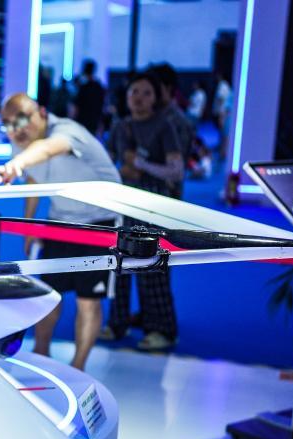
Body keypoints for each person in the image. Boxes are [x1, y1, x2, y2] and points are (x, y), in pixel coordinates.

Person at [0, 93, 121, 371]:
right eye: (8, 124)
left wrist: (18, 163)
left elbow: (49, 148)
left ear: (41, 112)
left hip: (101, 223)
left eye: (22, 120)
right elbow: (33, 178)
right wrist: (28, 224)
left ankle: (78, 369)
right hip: (60, 221)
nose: (16, 130)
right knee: (50, 296)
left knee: (88, 301)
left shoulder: (68, 131)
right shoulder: (21, 143)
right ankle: (41, 358)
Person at [102, 72, 183, 351]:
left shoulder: (165, 126)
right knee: (118, 264)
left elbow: (176, 171)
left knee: (153, 266)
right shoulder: (120, 126)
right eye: (134, 91)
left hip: (154, 206)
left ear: (156, 97)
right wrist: (120, 171)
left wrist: (140, 164)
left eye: (146, 92)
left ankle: (162, 329)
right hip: (122, 203)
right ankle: (118, 322)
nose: (139, 98)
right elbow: (107, 162)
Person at [148, 63, 193, 199]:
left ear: (168, 88)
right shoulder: (150, 116)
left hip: (165, 194)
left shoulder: (178, 122)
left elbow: (176, 169)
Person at [72, 59, 105, 135]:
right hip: (94, 121)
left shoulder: (83, 87)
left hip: (82, 122)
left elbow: (76, 107)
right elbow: (102, 106)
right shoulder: (99, 87)